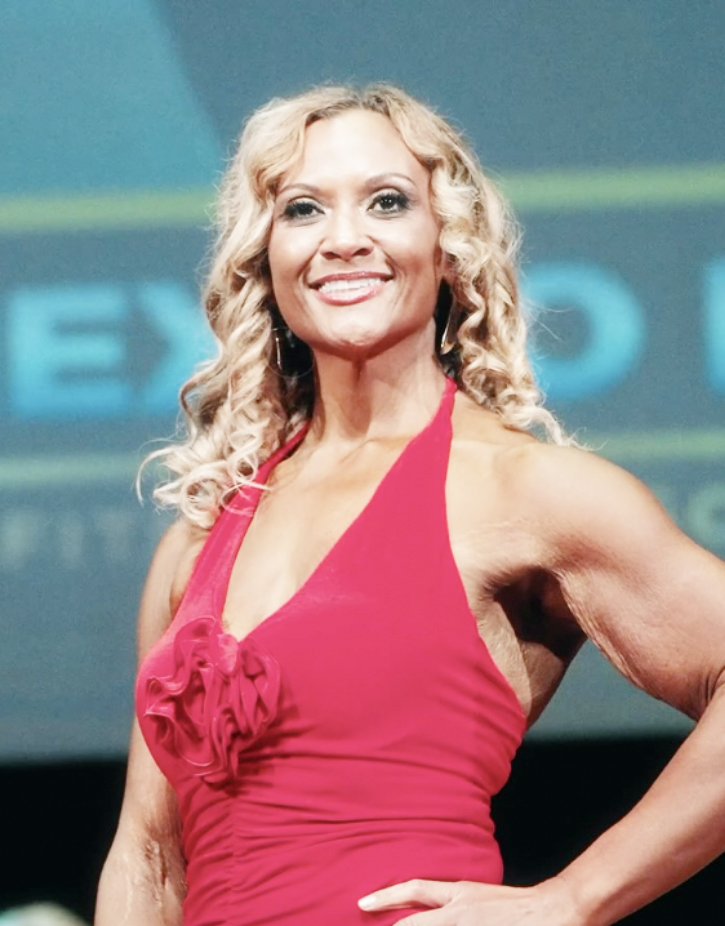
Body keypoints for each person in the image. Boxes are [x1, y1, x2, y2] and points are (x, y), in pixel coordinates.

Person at [95, 84, 725, 926]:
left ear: (449, 246)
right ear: (265, 256)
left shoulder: (523, 489)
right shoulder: (198, 540)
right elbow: (147, 853)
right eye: (303, 209)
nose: (343, 240)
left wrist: (573, 898)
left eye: (387, 203)